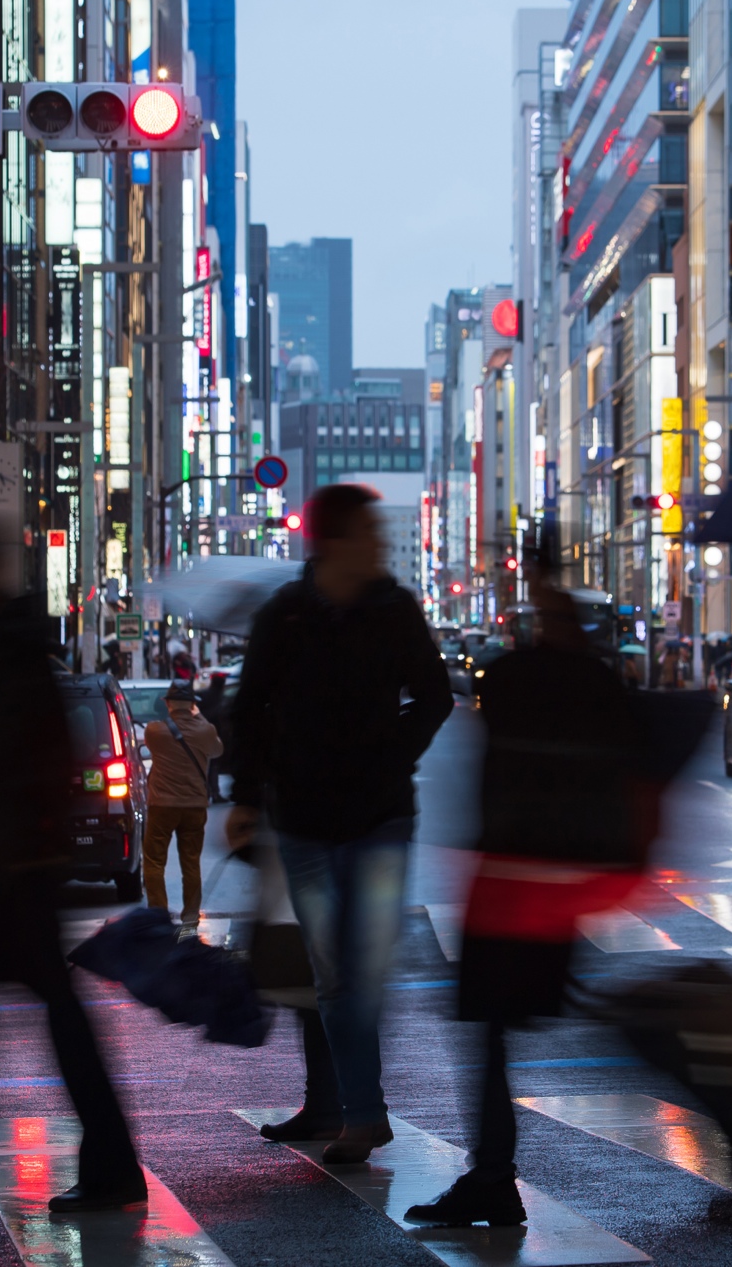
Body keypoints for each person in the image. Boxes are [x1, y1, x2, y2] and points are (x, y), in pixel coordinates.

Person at [0, 518, 146, 1214]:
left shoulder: (14, 655)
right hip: (11, 865)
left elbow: (18, 762)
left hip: (10, 870)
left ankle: (106, 1161)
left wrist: (4, 842)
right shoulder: (13, 648)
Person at [407, 564, 655, 1227]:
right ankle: (492, 1174)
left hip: (511, 883)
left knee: (489, 1030)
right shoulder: (602, 684)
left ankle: (492, 1175)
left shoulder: (514, 679)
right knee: (565, 1018)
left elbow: (490, 761)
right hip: (566, 886)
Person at [229, 483, 452, 1163]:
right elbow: (249, 704)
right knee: (333, 974)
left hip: (381, 812)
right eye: (368, 530)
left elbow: (436, 695)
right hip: (302, 820)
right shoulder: (288, 614)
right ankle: (363, 1111)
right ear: (332, 540)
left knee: (364, 965)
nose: (380, 542)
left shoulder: (395, 610)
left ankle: (357, 1106)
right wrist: (251, 791)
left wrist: (391, 752)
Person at [141, 683, 220, 932]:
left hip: (162, 805)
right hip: (195, 806)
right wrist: (200, 716)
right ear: (193, 705)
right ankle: (190, 918)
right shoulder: (206, 730)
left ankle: (159, 916)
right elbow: (218, 750)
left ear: (168, 703)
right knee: (191, 862)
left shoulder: (155, 731)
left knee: (154, 861)